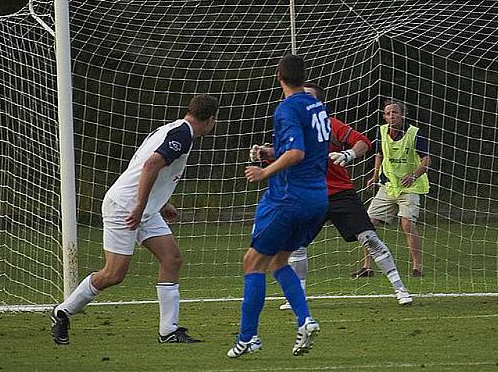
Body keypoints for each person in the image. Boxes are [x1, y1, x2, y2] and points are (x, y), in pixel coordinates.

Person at [49, 94, 219, 345]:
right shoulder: (182, 135)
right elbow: (150, 166)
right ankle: (63, 311)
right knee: (114, 274)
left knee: (171, 259)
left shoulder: (172, 129)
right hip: (125, 208)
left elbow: (143, 166)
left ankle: (168, 331)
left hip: (144, 209)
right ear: (211, 119)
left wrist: (161, 204)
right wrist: (140, 205)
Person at [253, 83, 413, 309]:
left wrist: (349, 154)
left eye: (307, 96)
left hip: (340, 193)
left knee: (369, 239)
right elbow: (287, 159)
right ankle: (297, 296)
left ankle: (400, 289)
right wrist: (264, 154)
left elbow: (363, 142)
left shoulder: (330, 124)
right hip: (309, 194)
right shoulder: (290, 128)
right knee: (296, 246)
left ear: (318, 104)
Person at [227, 54, 329, 358]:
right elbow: (304, 149)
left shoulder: (286, 108)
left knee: (252, 262)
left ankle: (248, 338)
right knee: (278, 261)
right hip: (317, 199)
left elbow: (296, 153)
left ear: (278, 75)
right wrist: (270, 151)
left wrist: (264, 172)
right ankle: (305, 319)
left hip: (288, 199)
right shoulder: (317, 106)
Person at [358, 100, 430, 278]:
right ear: (384, 116)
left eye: (395, 112)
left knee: (406, 223)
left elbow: (426, 160)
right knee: (367, 224)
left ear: (403, 115)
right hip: (388, 186)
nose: (391, 116)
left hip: (410, 186)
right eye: (388, 113)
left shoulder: (414, 133)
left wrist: (413, 175)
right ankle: (367, 266)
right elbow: (379, 154)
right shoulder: (381, 131)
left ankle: (417, 267)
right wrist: (374, 177)